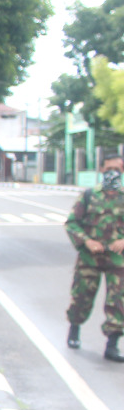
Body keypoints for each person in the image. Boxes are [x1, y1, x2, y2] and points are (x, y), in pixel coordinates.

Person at [64, 152, 124, 362]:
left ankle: (112, 345)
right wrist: (87, 241)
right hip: (90, 258)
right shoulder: (89, 195)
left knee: (119, 302)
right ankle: (74, 329)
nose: (113, 174)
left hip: (118, 261)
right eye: (109, 170)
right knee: (82, 296)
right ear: (101, 170)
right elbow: (72, 223)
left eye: (117, 170)